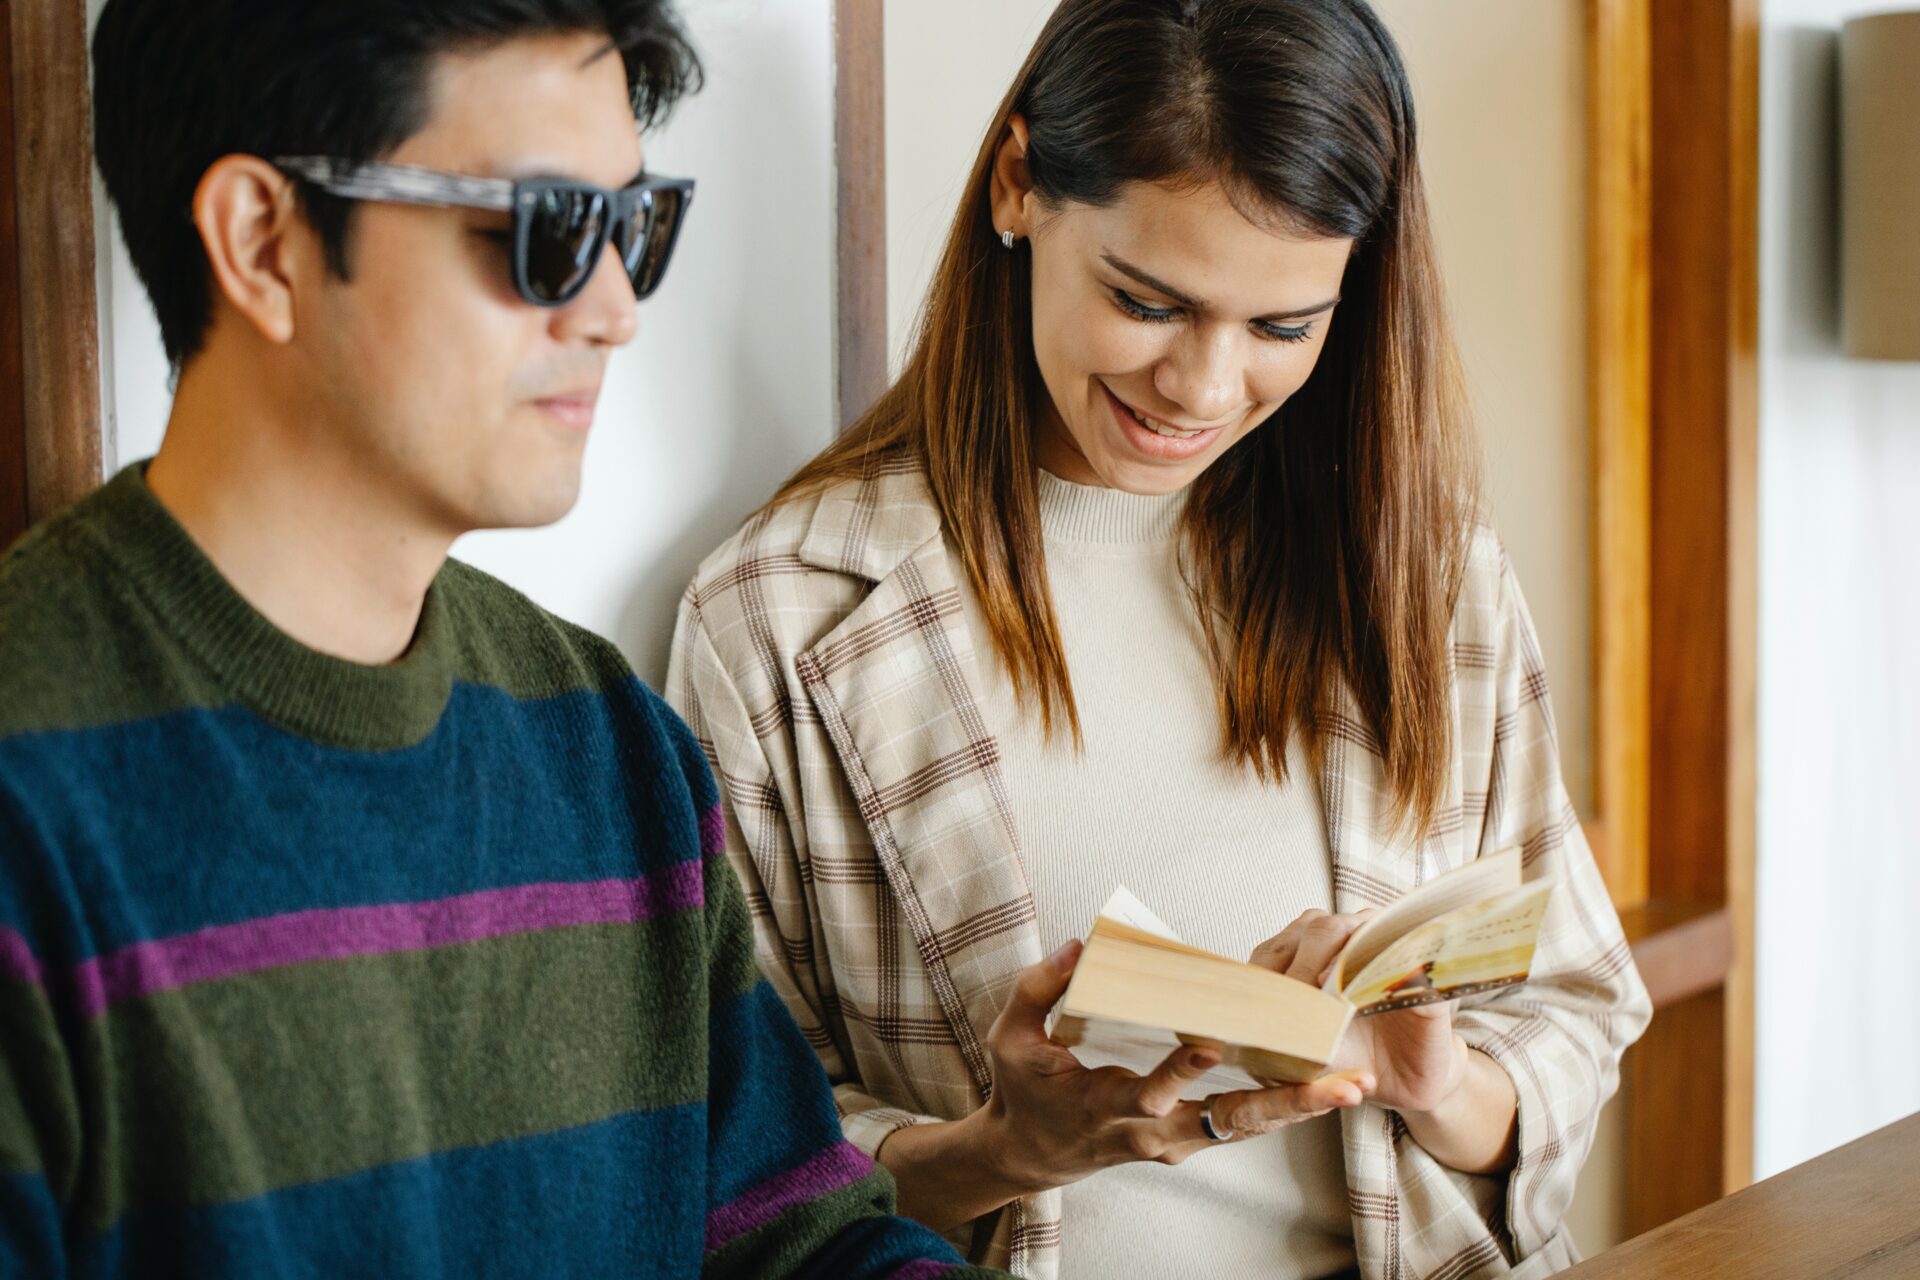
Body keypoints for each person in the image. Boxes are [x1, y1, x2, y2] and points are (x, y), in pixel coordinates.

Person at [0, 2, 1006, 1275]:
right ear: (264, 242)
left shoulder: (605, 741)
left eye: (632, 228)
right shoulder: (34, 789)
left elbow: (794, 1241)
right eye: (546, 232)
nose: (612, 311)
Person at [666, 1, 1652, 1276]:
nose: (1201, 387)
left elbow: (1577, 998)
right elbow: (736, 1161)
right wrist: (1007, 1144)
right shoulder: (782, 615)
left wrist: (1434, 1079)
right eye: (1146, 301)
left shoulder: (1426, 570)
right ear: (1019, 186)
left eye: (1282, 329)